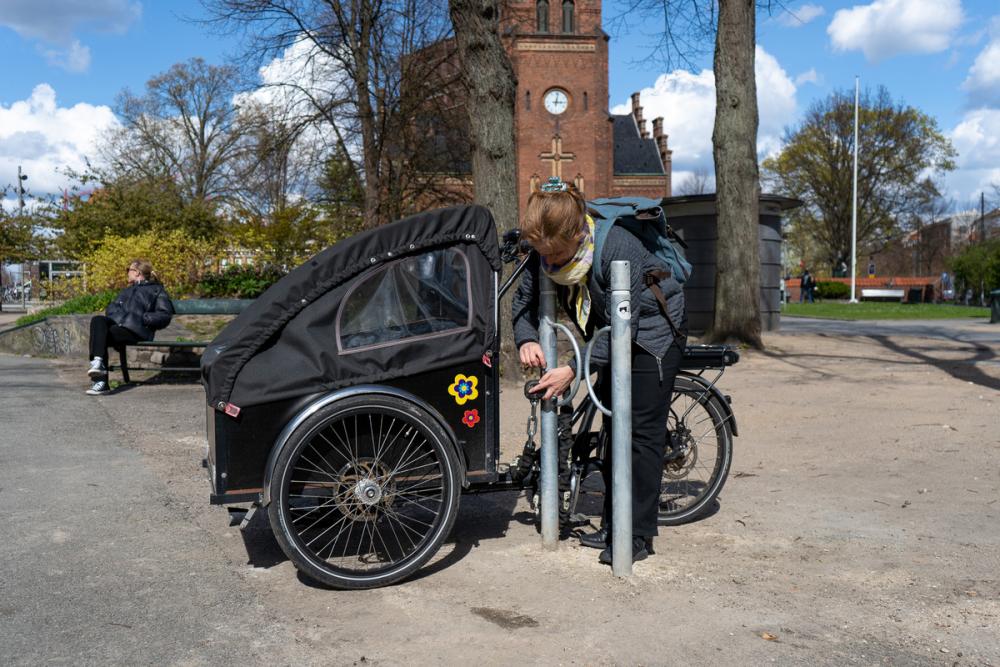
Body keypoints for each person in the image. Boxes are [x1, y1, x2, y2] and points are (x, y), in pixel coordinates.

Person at [511, 180, 686, 565]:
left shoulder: (617, 244)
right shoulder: (544, 250)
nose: (551, 263)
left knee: (639, 431)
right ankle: (613, 522)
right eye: (543, 254)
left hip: (653, 334)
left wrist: (573, 369)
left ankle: (637, 534)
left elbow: (628, 330)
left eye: (557, 253)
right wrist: (526, 338)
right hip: (608, 332)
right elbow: (523, 300)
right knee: (611, 428)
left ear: (577, 232)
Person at [86, 259, 174, 395]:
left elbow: (165, 315)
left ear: (137, 272)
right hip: (119, 328)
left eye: (129, 270)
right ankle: (98, 363)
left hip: (136, 331)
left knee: (100, 336)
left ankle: (101, 382)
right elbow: (111, 308)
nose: (127, 273)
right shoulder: (126, 291)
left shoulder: (157, 290)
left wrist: (145, 319)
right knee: (97, 321)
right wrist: (116, 315)